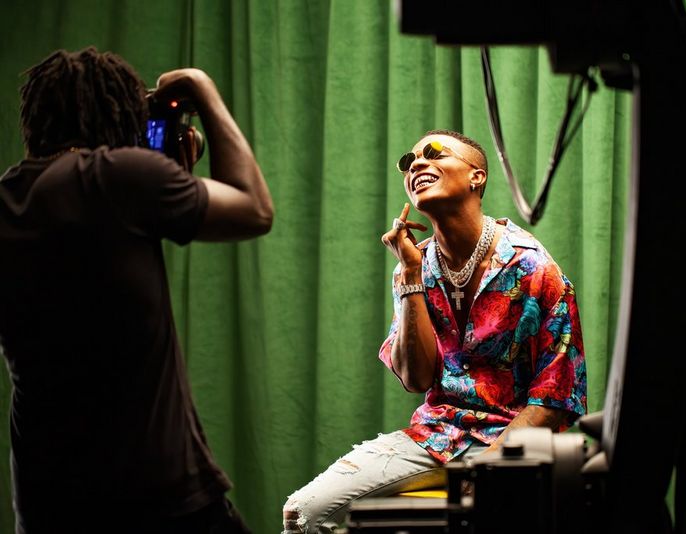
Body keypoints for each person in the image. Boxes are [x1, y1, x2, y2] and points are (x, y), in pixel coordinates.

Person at [0, 47, 273, 533]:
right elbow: (255, 210)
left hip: (46, 504)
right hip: (157, 497)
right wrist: (201, 87)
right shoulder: (114, 175)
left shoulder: (10, 198)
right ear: (121, 117)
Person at [282, 130, 586, 533]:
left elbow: (555, 398)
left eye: (434, 153)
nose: (417, 164)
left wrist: (488, 472)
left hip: (513, 441)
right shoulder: (413, 265)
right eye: (410, 161)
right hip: (436, 436)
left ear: (477, 176)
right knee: (303, 514)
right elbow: (416, 377)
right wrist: (409, 275)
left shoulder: (533, 268)